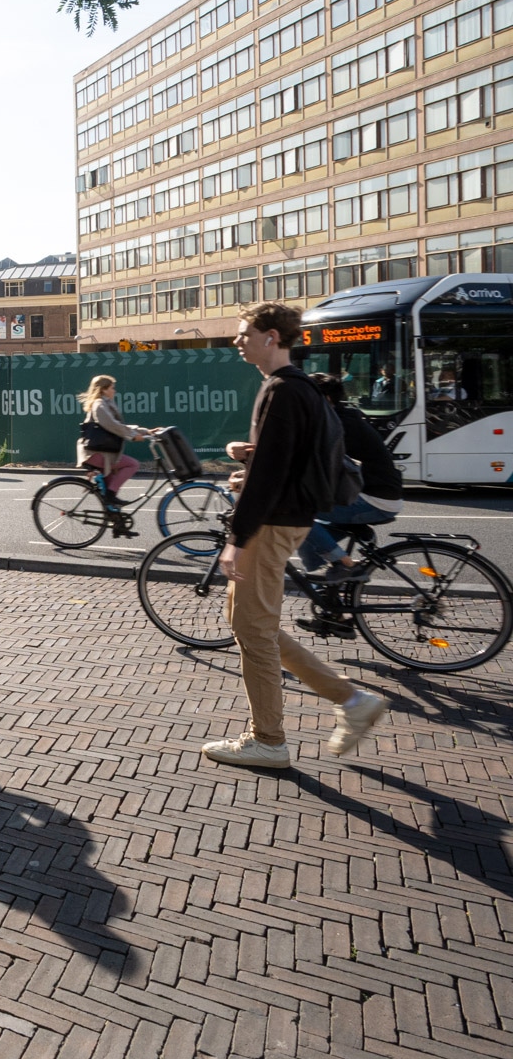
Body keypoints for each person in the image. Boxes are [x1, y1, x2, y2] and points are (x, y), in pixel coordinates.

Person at [206, 302, 387, 769]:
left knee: (253, 631)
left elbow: (270, 474)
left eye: (245, 332)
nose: (237, 340)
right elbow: (284, 458)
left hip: (270, 524)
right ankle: (351, 701)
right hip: (290, 518)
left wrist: (237, 537)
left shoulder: (282, 391)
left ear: (271, 337)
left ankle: (269, 740)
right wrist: (249, 454)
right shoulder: (301, 389)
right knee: (250, 626)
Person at [297, 373, 405, 582]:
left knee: (298, 514)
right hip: (371, 493)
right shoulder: (337, 417)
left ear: (326, 399)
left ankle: (342, 563)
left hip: (375, 498)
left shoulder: (339, 424)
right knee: (308, 545)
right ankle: (329, 603)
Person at [76, 375, 161, 533]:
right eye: (112, 388)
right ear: (104, 390)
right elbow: (113, 426)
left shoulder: (105, 403)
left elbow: (120, 426)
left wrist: (145, 431)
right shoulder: (99, 404)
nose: (114, 390)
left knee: (110, 493)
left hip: (103, 452)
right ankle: (110, 495)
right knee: (132, 464)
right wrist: (134, 436)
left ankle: (117, 524)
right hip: (97, 453)